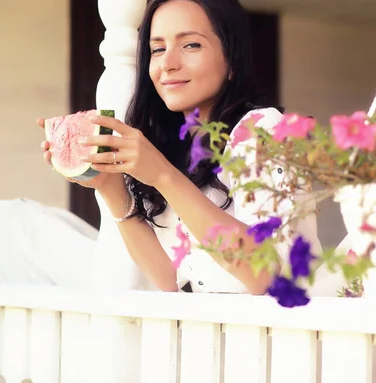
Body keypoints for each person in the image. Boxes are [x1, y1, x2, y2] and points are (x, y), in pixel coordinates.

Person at [37, 0, 322, 294]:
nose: (168, 64)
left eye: (191, 45)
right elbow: (167, 277)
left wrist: (163, 176)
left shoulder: (264, 130)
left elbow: (264, 274)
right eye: (157, 49)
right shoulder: (176, 145)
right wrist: (110, 187)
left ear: (232, 62)